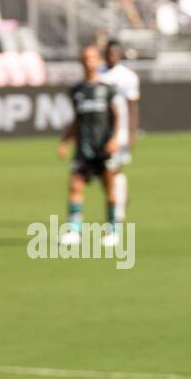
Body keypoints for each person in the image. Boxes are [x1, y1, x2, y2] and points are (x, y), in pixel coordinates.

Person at [57, 45, 123, 248]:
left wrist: (114, 139)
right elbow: (77, 119)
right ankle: (75, 230)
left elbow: (117, 115)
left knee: (109, 187)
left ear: (98, 61)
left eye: (92, 57)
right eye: (85, 57)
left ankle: (113, 229)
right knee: (75, 185)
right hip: (84, 147)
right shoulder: (77, 90)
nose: (88, 61)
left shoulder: (108, 88)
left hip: (103, 146)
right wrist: (65, 141)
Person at [99, 40, 140, 235]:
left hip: (119, 129)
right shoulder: (98, 73)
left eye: (115, 53)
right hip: (100, 129)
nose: (111, 56)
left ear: (120, 55)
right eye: (109, 53)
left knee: (115, 168)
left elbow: (132, 106)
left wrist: (132, 132)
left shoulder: (127, 77)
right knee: (110, 171)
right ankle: (120, 202)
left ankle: (118, 211)